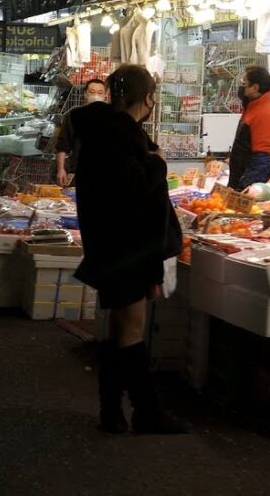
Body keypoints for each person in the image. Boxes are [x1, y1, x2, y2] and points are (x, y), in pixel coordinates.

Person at [72, 64, 187, 435]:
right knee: (131, 330)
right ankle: (145, 411)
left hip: (109, 241)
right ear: (148, 98)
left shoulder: (100, 132)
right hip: (127, 245)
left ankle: (114, 412)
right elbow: (134, 192)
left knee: (122, 328)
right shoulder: (121, 137)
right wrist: (157, 165)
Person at [228, 66, 270, 190]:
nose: (241, 87)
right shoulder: (252, 108)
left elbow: (262, 161)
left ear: (255, 88)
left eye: (244, 84)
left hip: (253, 188)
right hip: (241, 179)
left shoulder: (265, 114)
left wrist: (244, 189)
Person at [55, 78, 106, 187]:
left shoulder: (112, 118)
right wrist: (61, 169)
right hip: (78, 171)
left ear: (105, 96)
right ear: (85, 94)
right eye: (92, 92)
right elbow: (62, 146)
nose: (96, 95)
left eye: (100, 93)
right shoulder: (74, 115)